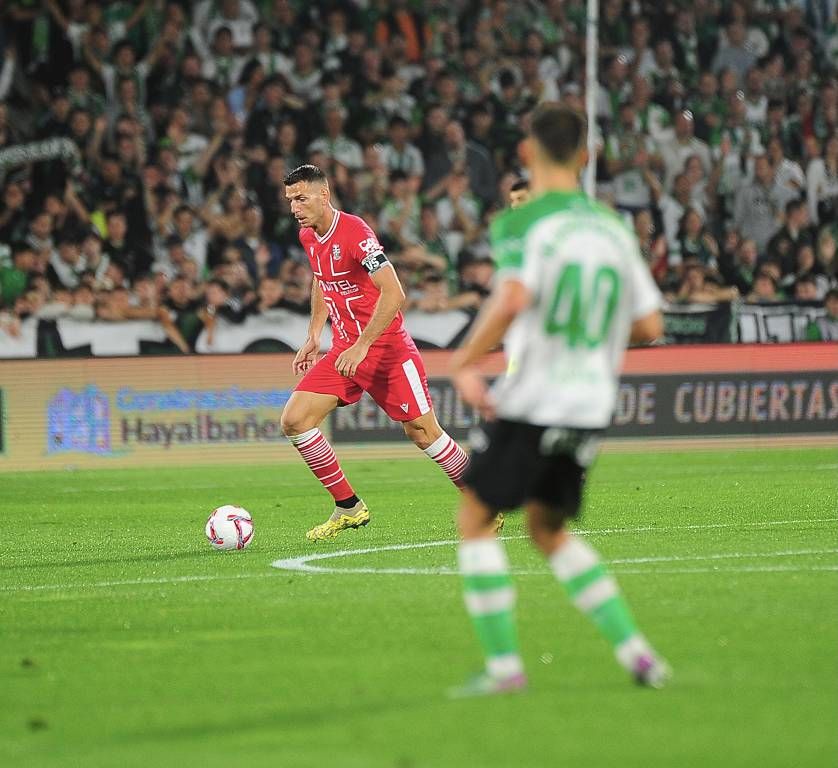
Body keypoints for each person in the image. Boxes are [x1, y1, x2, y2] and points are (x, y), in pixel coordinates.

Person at [447, 103, 670, 697]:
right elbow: (650, 325)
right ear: (587, 156)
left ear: (526, 154)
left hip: (536, 395)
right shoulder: (612, 227)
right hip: (590, 404)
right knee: (546, 528)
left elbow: (514, 296)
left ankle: (504, 671)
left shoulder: (521, 223)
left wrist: (466, 361)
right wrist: (589, 335)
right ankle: (640, 656)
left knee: (475, 516)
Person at [280, 164, 494, 541]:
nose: (295, 208)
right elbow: (322, 279)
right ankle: (349, 507)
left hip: (387, 351)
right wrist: (315, 334)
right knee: (295, 420)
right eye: (290, 201)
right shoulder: (308, 236)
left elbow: (395, 293)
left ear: (323, 194)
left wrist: (363, 344)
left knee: (424, 433)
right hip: (346, 351)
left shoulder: (355, 233)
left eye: (301, 198)